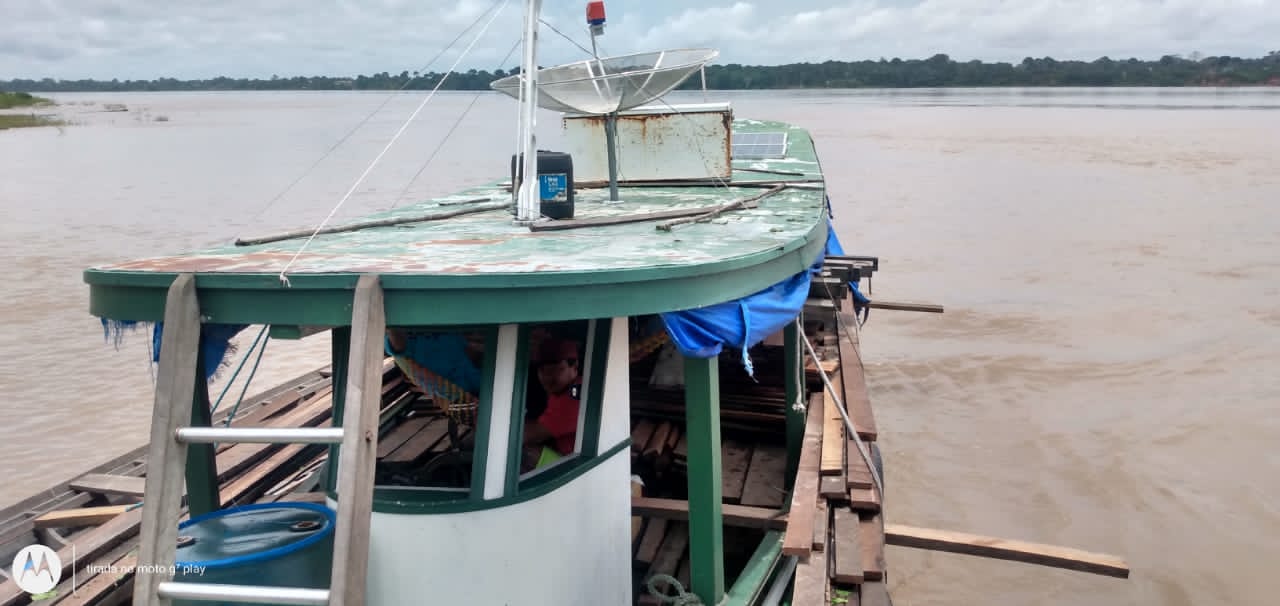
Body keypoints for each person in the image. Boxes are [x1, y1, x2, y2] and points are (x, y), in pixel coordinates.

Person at [522, 335, 583, 471]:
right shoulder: (562, 389)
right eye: (542, 370)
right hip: (567, 455)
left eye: (556, 370)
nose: (547, 377)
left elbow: (527, 435)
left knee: (522, 452)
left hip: (579, 469)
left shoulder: (574, 396)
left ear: (575, 366)